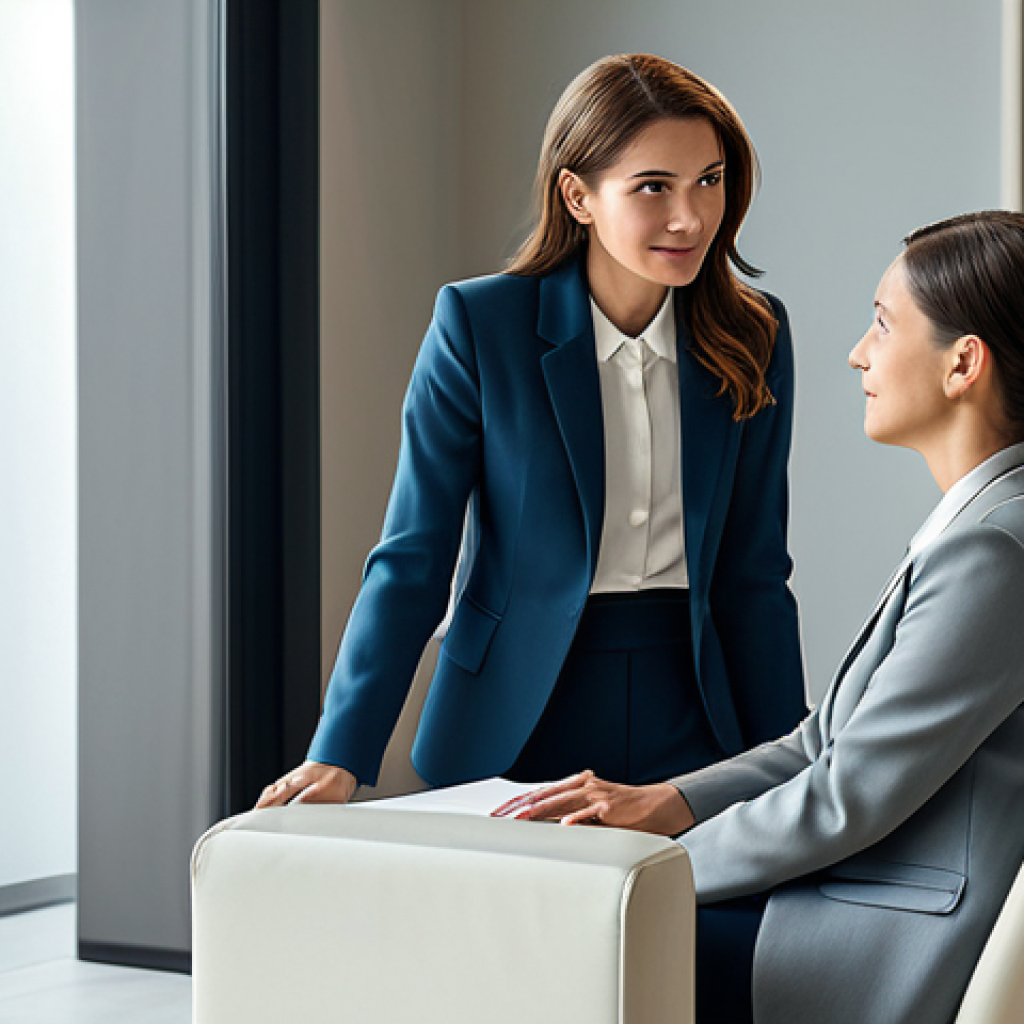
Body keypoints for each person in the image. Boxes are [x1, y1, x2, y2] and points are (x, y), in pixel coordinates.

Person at [495, 210, 1024, 1024]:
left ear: (963, 363)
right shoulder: (982, 527)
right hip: (854, 896)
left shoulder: (992, 553)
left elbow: (849, 795)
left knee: (542, 947)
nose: (858, 353)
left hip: (875, 939)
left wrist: (652, 871)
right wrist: (668, 801)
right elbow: (822, 744)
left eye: (883, 324)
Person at [256, 53, 806, 809]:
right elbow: (414, 557)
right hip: (514, 715)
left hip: (697, 712)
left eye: (708, 180)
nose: (690, 217)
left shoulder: (753, 333)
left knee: (698, 891)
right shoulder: (481, 326)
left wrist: (791, 763)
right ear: (578, 196)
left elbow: (755, 572)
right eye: (653, 187)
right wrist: (339, 751)